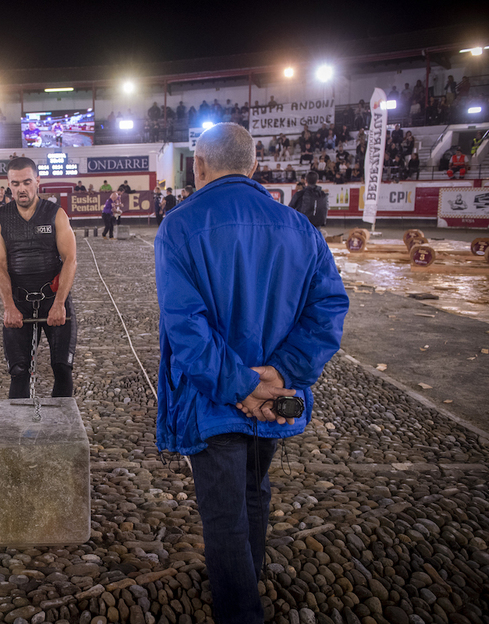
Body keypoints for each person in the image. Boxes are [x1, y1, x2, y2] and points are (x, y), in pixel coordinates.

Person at [155, 123, 349, 624]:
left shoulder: (179, 225)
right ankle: (247, 574)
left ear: (198, 165)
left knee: (223, 511)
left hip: (216, 399)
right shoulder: (300, 227)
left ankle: (240, 609)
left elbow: (187, 328)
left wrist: (242, 385)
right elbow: (329, 308)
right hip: (275, 398)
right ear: (254, 166)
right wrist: (281, 374)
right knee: (255, 489)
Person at [0, 157, 78, 399]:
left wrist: (60, 304)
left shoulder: (56, 214)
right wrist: (9, 307)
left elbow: (70, 260)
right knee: (19, 372)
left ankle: (62, 431)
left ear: (37, 181)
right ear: (9, 185)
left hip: (53, 298)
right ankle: (17, 432)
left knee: (62, 367)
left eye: (27, 182)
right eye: (15, 184)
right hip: (19, 301)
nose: (21, 189)